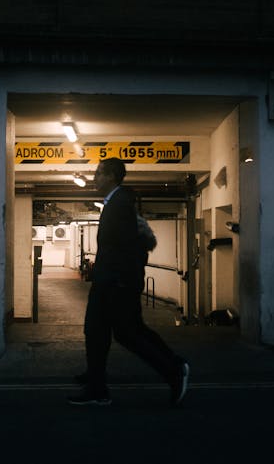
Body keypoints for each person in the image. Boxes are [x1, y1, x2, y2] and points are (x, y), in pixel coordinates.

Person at [68, 157, 189, 407]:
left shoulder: (119, 204)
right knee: (110, 331)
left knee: (123, 333)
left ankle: (172, 371)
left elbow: (128, 248)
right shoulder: (116, 202)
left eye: (99, 174)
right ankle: (97, 382)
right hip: (113, 282)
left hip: (114, 285)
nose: (94, 178)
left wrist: (121, 282)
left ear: (111, 176)